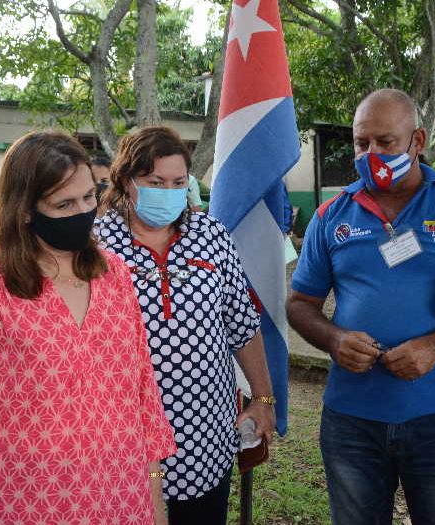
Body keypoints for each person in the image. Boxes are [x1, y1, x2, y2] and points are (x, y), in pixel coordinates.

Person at [287, 88, 435, 525]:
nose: (371, 153)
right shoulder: (331, 216)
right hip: (352, 421)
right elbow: (300, 303)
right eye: (362, 143)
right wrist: (334, 339)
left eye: (386, 142)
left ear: (417, 141)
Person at [0, 131, 176, 525]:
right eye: (63, 204)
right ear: (26, 210)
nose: (83, 212)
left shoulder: (115, 273)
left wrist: (154, 490)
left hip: (120, 490)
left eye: (88, 198)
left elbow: (141, 387)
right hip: (28, 496)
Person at [95, 126, 276, 524]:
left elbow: (242, 323)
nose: (168, 192)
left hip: (204, 432)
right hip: (123, 434)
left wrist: (263, 398)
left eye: (178, 182)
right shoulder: (95, 245)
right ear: (126, 180)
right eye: (155, 182)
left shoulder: (210, 235)